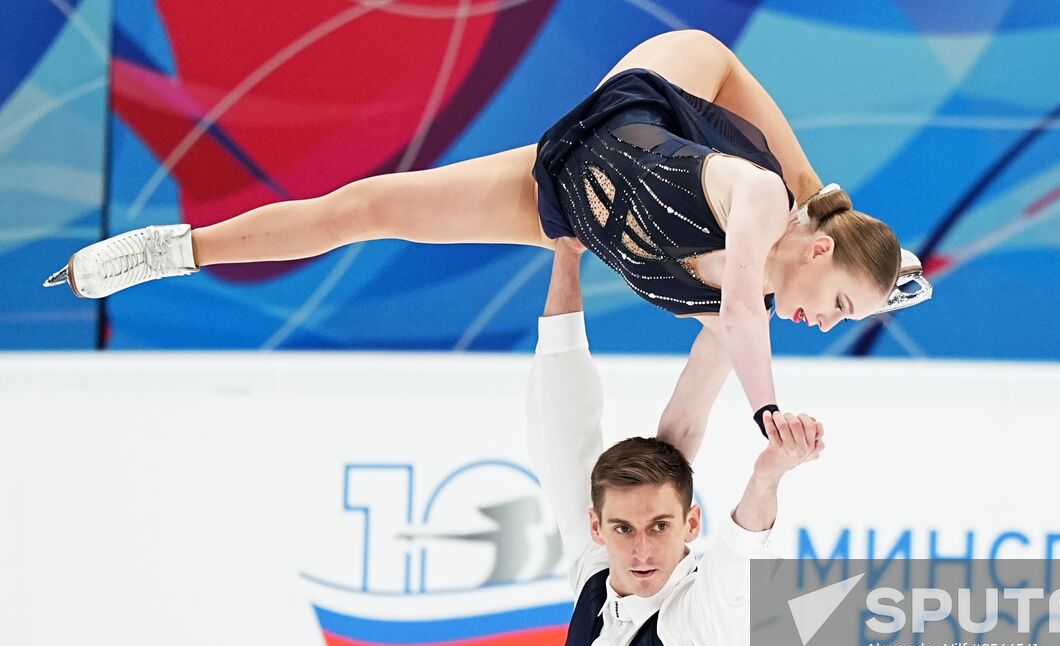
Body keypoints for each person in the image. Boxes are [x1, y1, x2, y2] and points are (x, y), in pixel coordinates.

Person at [44, 30, 931, 445]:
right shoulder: (763, 207)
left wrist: (677, 503)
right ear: (819, 251)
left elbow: (682, 421)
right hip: (653, 101)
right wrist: (768, 412)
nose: (826, 323)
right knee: (741, 99)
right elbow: (746, 306)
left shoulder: (729, 318)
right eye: (841, 305)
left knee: (369, 209)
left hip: (568, 196)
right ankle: (168, 246)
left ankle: (163, 256)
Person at [527, 235, 821, 646]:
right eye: (623, 530)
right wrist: (566, 256)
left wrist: (768, 476)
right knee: (677, 428)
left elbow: (739, 562)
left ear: (691, 524)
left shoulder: (703, 626)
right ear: (597, 528)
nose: (641, 550)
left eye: (659, 526)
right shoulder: (598, 574)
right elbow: (562, 419)